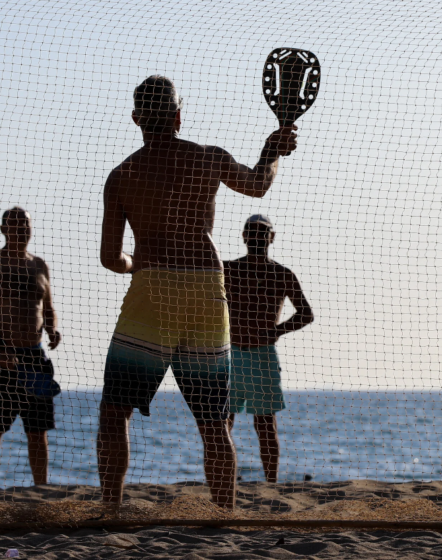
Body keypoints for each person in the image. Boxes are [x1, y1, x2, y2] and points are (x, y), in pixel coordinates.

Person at [98, 75, 297, 510]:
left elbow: (111, 260)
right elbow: (258, 183)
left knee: (115, 413)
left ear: (136, 119)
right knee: (213, 423)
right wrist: (272, 149)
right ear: (178, 116)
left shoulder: (122, 175)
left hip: (154, 290)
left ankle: (110, 508)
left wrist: (138, 261)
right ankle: (225, 511)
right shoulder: (207, 159)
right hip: (208, 289)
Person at [0, 207, 62, 488]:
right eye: (14, 225)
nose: (21, 230)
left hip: (34, 357)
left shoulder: (39, 266)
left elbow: (48, 308)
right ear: (3, 229)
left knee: (38, 431)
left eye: (25, 225)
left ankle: (41, 488)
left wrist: (52, 328)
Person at [224, 215, 314, 483]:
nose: (257, 236)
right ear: (243, 236)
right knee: (221, 422)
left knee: (264, 424)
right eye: (252, 231)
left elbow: (306, 314)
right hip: (230, 354)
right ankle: (225, 478)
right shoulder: (226, 269)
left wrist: (276, 331)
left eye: (263, 232)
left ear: (271, 237)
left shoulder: (282, 274)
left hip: (263, 355)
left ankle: (271, 483)